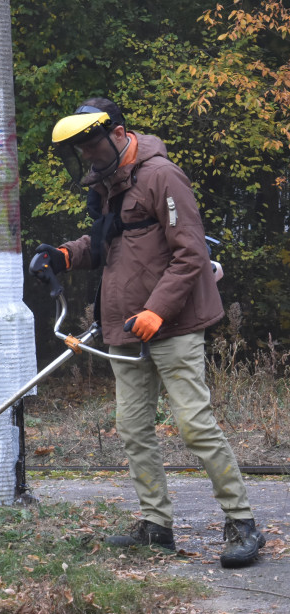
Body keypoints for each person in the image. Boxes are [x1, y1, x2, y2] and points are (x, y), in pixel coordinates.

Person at [31, 97, 265, 569]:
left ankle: (242, 523)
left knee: (195, 425)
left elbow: (191, 254)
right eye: (81, 149)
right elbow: (107, 244)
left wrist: (158, 310)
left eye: (92, 144)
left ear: (118, 132)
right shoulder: (111, 184)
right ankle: (155, 525)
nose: (88, 155)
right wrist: (63, 255)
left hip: (172, 325)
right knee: (133, 428)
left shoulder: (162, 175)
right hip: (124, 328)